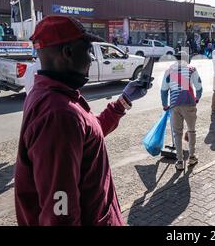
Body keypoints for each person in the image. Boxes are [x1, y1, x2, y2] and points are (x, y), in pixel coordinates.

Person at [14, 15, 151, 226]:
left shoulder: (53, 95)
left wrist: (123, 101)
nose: (92, 59)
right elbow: (60, 213)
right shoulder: (59, 115)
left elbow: (87, 135)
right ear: (68, 53)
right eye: (87, 51)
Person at [161, 51, 203, 171]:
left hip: (174, 105)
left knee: (177, 133)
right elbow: (199, 87)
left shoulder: (169, 70)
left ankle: (179, 161)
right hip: (189, 103)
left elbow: (164, 90)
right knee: (191, 130)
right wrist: (197, 98)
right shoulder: (191, 69)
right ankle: (191, 157)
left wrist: (165, 105)